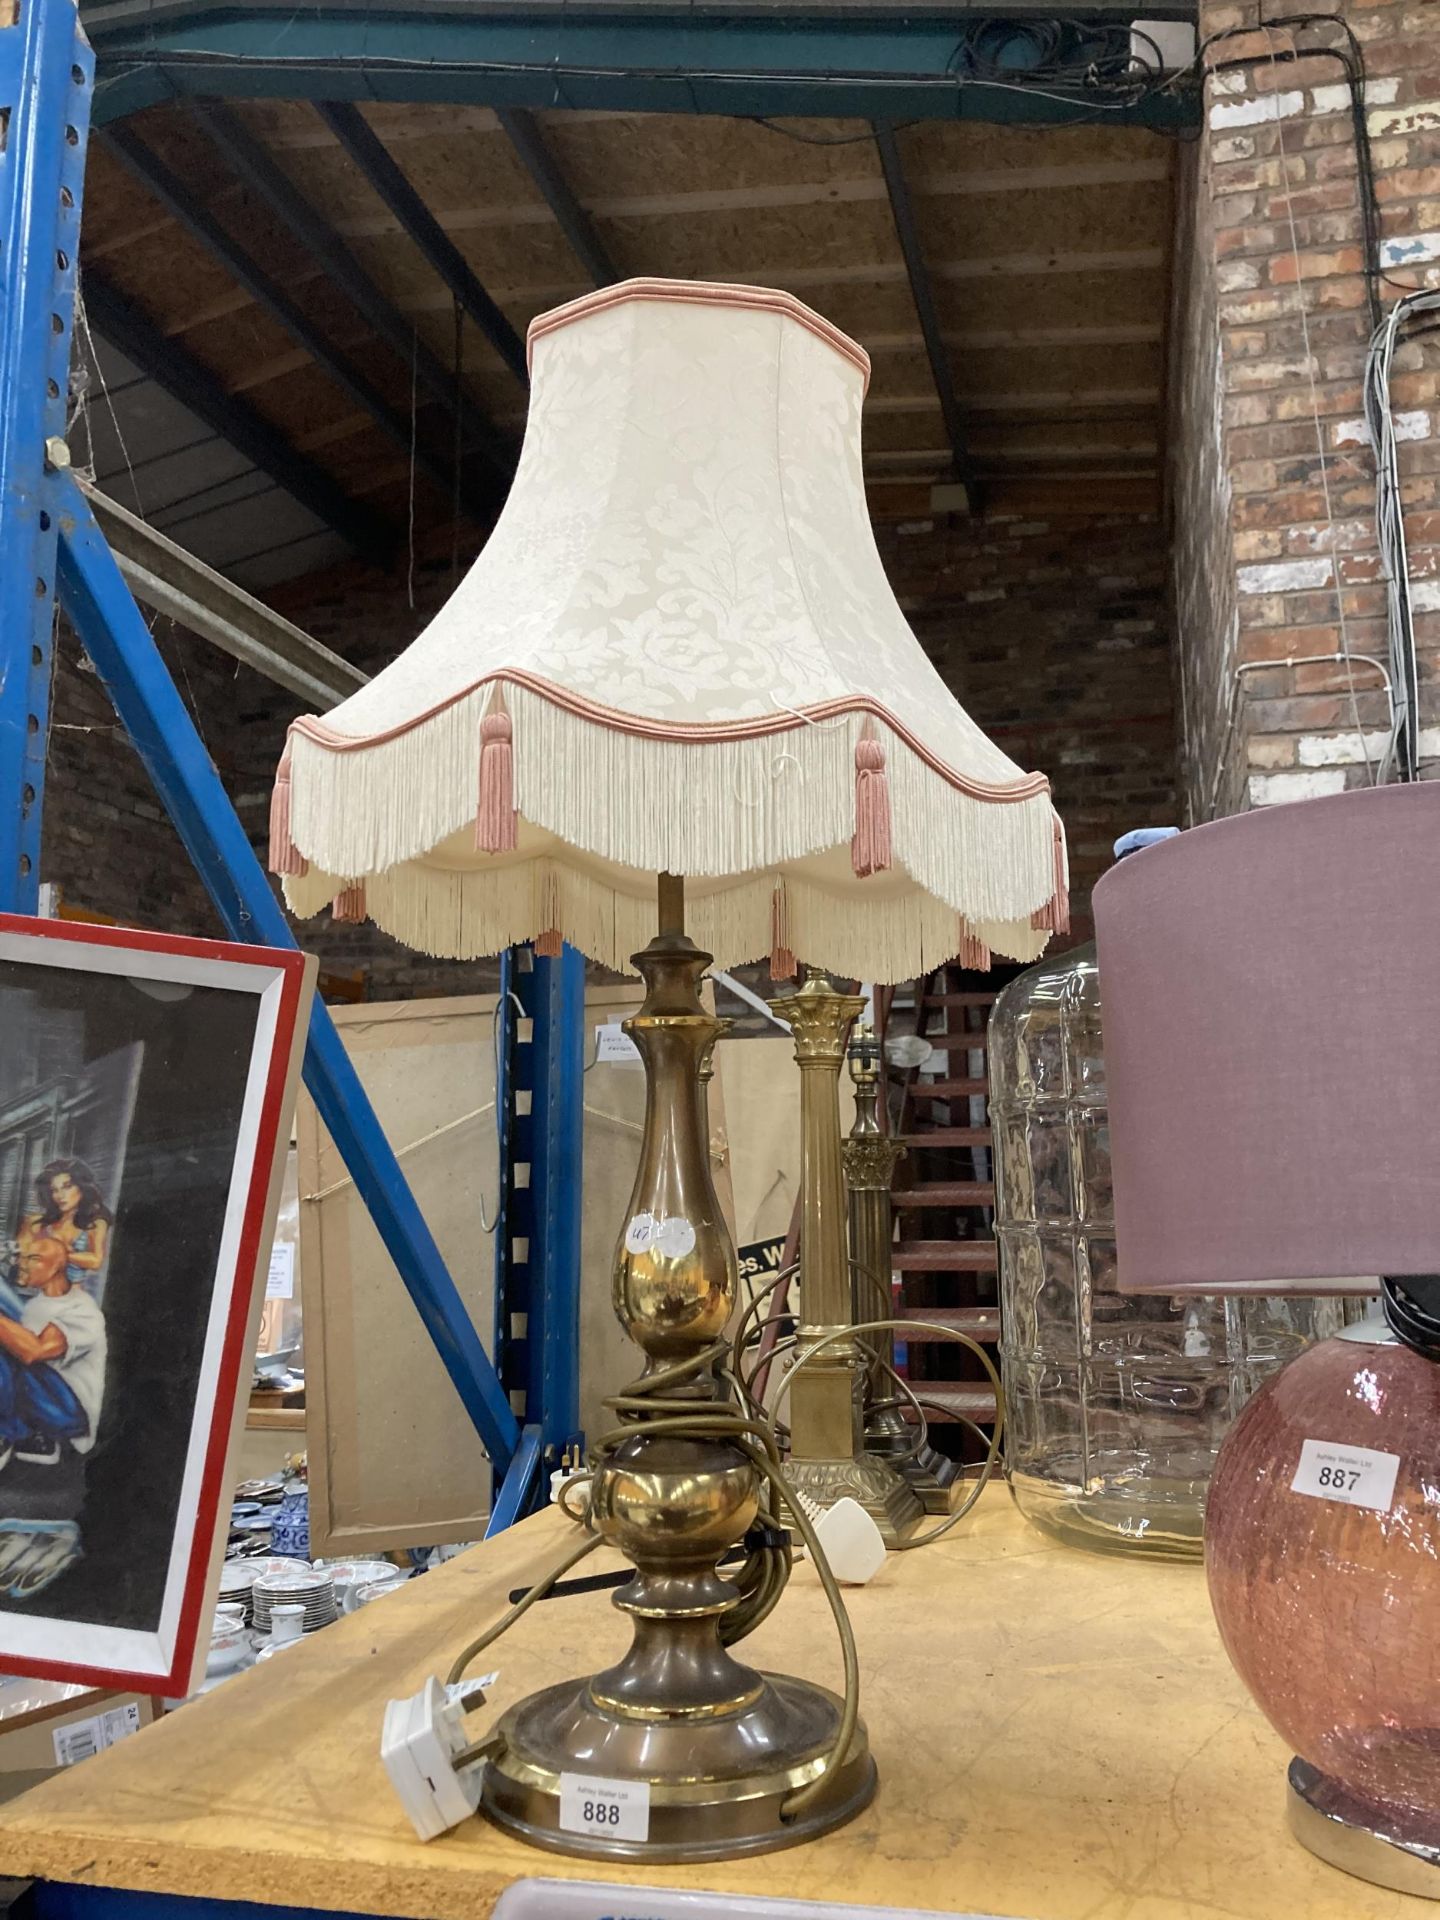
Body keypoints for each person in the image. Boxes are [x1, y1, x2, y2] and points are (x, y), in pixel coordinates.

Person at [0, 1237, 106, 1470]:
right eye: (24, 1258)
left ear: (57, 1266)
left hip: (67, 1413)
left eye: (34, 1259)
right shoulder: (35, 1304)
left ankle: (7, 1432)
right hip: (39, 1394)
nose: (24, 1264)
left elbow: (33, 1352)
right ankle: (23, 1432)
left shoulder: (83, 1311)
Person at [18, 1160, 113, 1295]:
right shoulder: (38, 1223)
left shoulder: (95, 1222)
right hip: (34, 1292)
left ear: (82, 1188)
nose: (60, 1196)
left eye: (67, 1187)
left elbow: (96, 1261)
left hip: (71, 1299)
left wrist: (57, 1254)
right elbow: (21, 1253)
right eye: (54, 1190)